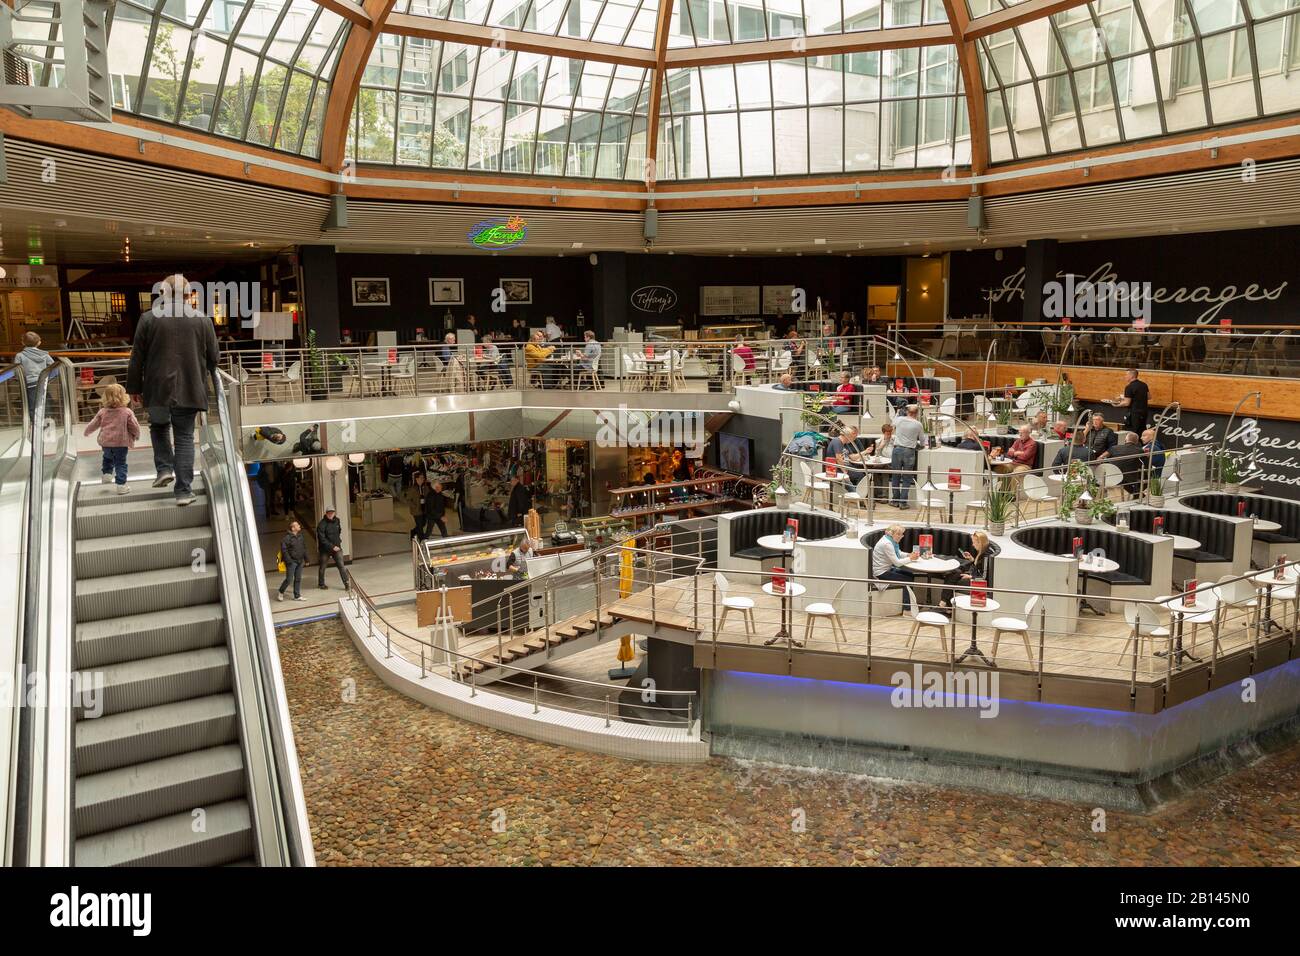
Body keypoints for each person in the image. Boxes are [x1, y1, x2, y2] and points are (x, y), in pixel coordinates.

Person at [126, 272, 219, 505]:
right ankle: (183, 492)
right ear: (189, 294)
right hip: (190, 387)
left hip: (156, 388)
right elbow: (214, 358)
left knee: (158, 427)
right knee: (185, 436)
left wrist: (134, 387)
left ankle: (164, 469)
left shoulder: (148, 319)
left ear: (162, 294)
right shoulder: (202, 319)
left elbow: (137, 356)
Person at [83, 383, 140, 495]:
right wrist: (136, 434)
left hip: (106, 443)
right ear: (124, 397)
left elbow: (94, 424)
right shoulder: (127, 412)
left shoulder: (102, 412)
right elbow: (134, 426)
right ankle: (121, 486)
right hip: (121, 443)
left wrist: (87, 431)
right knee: (120, 463)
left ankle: (107, 475)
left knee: (107, 458)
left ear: (105, 397)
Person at [940, 531, 993, 609]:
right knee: (953, 573)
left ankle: (943, 604)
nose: (973, 545)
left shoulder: (986, 556)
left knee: (953, 578)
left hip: (978, 582)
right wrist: (972, 559)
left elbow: (984, 577)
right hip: (973, 575)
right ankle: (946, 605)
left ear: (980, 543)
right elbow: (979, 567)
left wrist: (970, 577)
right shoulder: (983, 551)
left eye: (974, 542)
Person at [872, 525, 915, 611]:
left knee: (910, 575)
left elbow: (898, 552)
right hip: (880, 572)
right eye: (898, 534)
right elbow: (897, 563)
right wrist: (911, 558)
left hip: (886, 569)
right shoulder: (887, 544)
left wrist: (908, 555)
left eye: (901, 534)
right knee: (906, 580)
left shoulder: (889, 540)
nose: (901, 536)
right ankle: (907, 609)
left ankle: (911, 603)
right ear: (891, 534)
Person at [889, 404, 924, 508]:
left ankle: (895, 500)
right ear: (917, 413)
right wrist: (920, 445)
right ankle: (903, 502)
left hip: (897, 449)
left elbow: (891, 424)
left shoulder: (899, 420)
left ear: (907, 412)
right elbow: (922, 441)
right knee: (907, 477)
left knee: (895, 476)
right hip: (909, 451)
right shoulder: (918, 424)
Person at [16, 331, 53, 423]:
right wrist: (49, 378)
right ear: (39, 342)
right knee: (44, 402)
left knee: (32, 404)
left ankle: (35, 423)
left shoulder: (20, 355)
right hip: (42, 382)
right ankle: (46, 422)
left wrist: (19, 380)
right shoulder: (45, 354)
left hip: (29, 384)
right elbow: (53, 367)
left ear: (23, 342)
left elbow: (16, 371)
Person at [316, 507, 350, 590]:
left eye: (332, 512)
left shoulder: (337, 520)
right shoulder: (321, 525)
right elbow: (322, 539)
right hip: (325, 550)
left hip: (337, 548)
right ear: (326, 513)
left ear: (334, 513)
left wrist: (337, 543)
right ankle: (321, 584)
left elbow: (339, 531)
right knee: (323, 567)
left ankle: (346, 584)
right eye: (329, 512)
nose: (331, 514)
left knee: (341, 566)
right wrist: (332, 546)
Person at [278, 521, 308, 602]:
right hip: (292, 562)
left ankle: (297, 596)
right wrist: (289, 561)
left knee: (298, 578)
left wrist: (306, 559)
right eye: (297, 525)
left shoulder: (301, 536)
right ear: (293, 528)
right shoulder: (286, 539)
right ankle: (281, 591)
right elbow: (284, 551)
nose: (299, 525)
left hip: (300, 561)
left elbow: (304, 548)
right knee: (289, 579)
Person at [1110, 432, 1146, 497]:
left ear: (1125, 440)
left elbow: (1103, 457)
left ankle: (1137, 494)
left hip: (1113, 476)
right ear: (1137, 442)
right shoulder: (1139, 451)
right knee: (1145, 475)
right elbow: (1145, 464)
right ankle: (1138, 494)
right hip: (1129, 477)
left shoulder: (1114, 448)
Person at [1115, 368, 1149, 433]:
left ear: (1131, 376)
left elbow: (1127, 403)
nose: (1125, 376)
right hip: (1144, 413)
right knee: (1142, 432)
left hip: (1134, 414)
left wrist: (1117, 405)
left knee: (1132, 433)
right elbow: (1148, 397)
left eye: (1126, 375)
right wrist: (1124, 397)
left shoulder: (1129, 387)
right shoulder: (1144, 385)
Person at [406, 471, 430, 539]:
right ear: (416, 479)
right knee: (419, 525)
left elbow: (428, 497)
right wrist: (414, 506)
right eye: (421, 478)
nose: (422, 479)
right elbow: (408, 500)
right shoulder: (412, 488)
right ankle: (422, 540)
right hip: (416, 510)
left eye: (423, 478)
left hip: (424, 509)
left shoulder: (425, 487)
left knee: (423, 523)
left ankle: (413, 531)